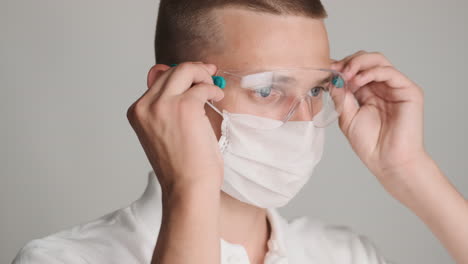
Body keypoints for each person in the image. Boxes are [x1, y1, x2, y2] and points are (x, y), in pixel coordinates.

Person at [13, 0, 468, 263]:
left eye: (314, 90)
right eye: (269, 90)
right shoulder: (62, 260)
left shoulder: (343, 254)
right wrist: (190, 188)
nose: (302, 120)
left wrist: (409, 170)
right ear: (175, 87)